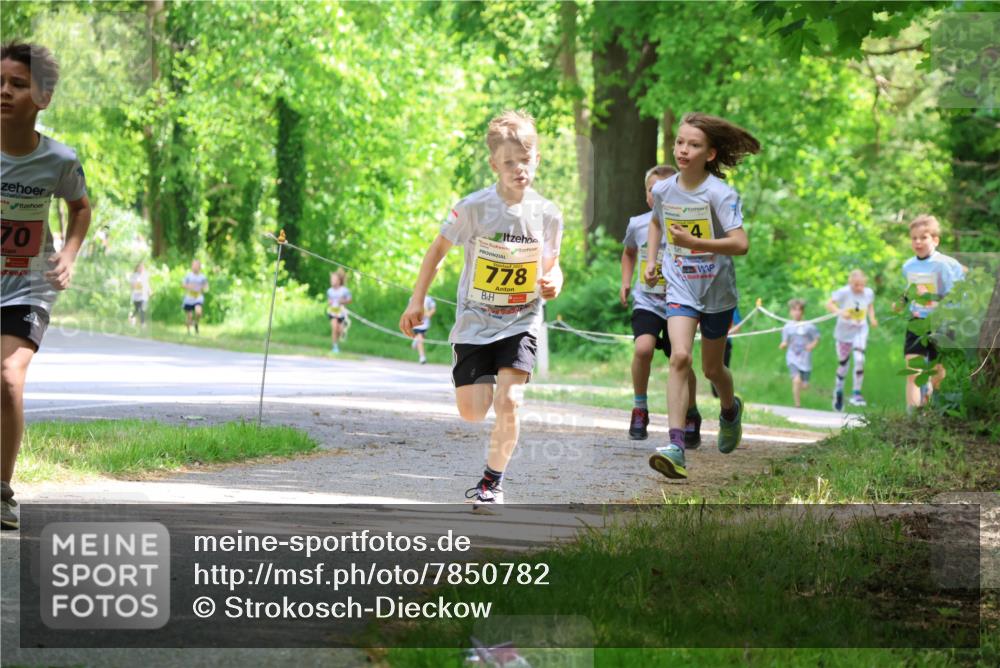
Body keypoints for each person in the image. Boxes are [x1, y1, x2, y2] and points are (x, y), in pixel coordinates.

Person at [399, 110, 563, 510]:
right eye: (509, 163)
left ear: (537, 159)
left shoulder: (548, 213)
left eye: (525, 160)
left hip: (522, 320)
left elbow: (553, 264)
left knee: (511, 402)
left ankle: (492, 482)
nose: (519, 169)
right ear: (494, 165)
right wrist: (417, 299)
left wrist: (554, 280)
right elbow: (437, 251)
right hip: (475, 322)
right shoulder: (473, 207)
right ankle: (476, 382)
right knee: (473, 412)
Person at [1, 42, 91, 530]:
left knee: (8, 377)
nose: (4, 92)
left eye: (17, 84)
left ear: (43, 97)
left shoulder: (59, 159)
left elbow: (81, 208)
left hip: (28, 285)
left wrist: (69, 254)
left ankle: (1, 491)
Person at [644, 112, 759, 480]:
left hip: (716, 291)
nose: (683, 150)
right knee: (679, 357)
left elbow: (740, 244)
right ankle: (675, 446)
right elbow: (656, 222)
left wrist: (697, 242)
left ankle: (730, 410)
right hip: (680, 284)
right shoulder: (664, 190)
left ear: (709, 154)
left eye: (693, 145)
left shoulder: (720, 194)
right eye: (680, 142)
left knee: (712, 369)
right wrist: (652, 260)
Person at [621, 164, 703, 445]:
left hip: (679, 302)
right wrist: (626, 281)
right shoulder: (638, 223)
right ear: (646, 194)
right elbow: (629, 252)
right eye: (651, 190)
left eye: (663, 190)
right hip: (648, 300)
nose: (656, 195)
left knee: (680, 358)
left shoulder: (686, 223)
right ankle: (640, 408)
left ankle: (690, 412)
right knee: (642, 348)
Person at [899, 214, 965, 410]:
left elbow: (957, 296)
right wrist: (902, 301)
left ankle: (935, 411)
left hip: (942, 323)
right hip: (917, 321)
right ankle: (912, 416)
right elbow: (910, 289)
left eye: (923, 237)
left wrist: (931, 297)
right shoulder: (908, 266)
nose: (918, 242)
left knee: (938, 374)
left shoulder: (947, 264)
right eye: (914, 238)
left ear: (935, 240)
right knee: (913, 371)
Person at [826, 269, 877, 410]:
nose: (859, 288)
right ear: (850, 283)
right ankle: (838, 390)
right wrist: (840, 312)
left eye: (861, 285)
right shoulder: (843, 292)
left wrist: (872, 318)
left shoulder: (868, 293)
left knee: (860, 359)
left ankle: (857, 393)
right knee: (843, 364)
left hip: (860, 330)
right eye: (856, 285)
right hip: (844, 333)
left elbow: (870, 306)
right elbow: (829, 304)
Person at [779, 299, 820, 408]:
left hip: (805, 359)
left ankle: (804, 383)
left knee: (805, 385)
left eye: (799, 310)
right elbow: (785, 341)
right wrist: (783, 344)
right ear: (790, 312)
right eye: (794, 310)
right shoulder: (787, 326)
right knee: (796, 380)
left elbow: (817, 338)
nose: (797, 312)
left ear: (802, 312)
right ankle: (797, 405)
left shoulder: (809, 326)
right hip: (792, 357)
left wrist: (812, 345)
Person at [326, 269, 352, 354]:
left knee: (339, 330)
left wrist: (343, 301)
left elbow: (349, 300)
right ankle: (335, 347)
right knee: (334, 327)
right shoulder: (329, 291)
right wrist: (329, 302)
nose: (332, 281)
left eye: (334, 279)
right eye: (331, 279)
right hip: (333, 312)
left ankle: (343, 331)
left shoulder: (344, 290)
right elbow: (329, 300)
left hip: (341, 312)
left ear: (339, 281)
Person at [181, 259, 208, 335]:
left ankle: (196, 323)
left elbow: (206, 286)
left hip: (198, 297)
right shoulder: (188, 276)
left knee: (198, 312)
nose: (195, 267)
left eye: (196, 265)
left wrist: (203, 288)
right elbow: (183, 285)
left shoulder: (202, 277)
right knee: (189, 316)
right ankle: (188, 331)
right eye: (193, 265)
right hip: (189, 298)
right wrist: (189, 286)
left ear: (199, 267)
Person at [410, 295, 436, 364]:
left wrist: (428, 314)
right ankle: (422, 357)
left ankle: (416, 340)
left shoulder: (429, 299)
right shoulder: (413, 298)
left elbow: (433, 309)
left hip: (425, 324)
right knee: (420, 337)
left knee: (421, 337)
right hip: (416, 323)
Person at [128, 260, 151, 327]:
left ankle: (142, 323)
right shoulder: (134, 276)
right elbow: (132, 286)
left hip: (144, 296)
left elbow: (147, 284)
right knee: (137, 309)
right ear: (137, 268)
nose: (141, 268)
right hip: (136, 296)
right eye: (140, 267)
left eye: (142, 267)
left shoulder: (145, 275)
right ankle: (131, 317)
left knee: (143, 309)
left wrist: (149, 290)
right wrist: (137, 285)